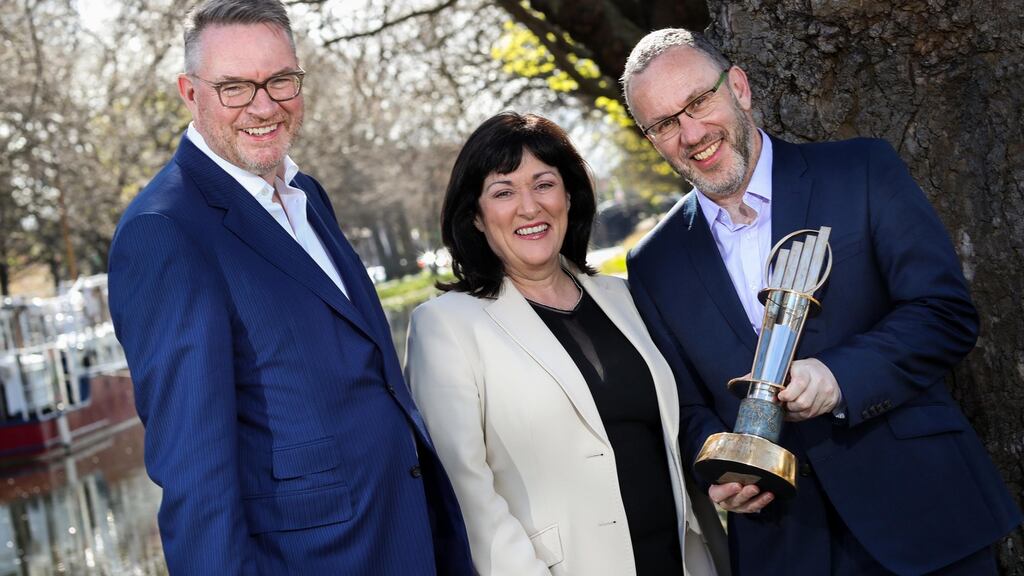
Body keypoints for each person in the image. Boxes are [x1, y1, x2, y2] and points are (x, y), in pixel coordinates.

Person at [621, 28, 1022, 576]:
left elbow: (945, 313)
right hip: (784, 544)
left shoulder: (860, 171)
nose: (691, 133)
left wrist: (839, 377)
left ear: (738, 86)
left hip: (923, 515)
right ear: (652, 139)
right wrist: (718, 468)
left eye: (698, 101)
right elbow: (685, 407)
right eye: (665, 123)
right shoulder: (653, 264)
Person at [106, 1, 473, 574]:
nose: (264, 105)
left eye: (281, 80)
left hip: (404, 536)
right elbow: (195, 477)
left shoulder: (308, 196)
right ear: (189, 92)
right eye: (234, 87)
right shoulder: (166, 232)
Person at [404, 111, 729, 576]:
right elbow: (467, 495)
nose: (529, 207)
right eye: (503, 192)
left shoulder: (623, 297)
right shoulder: (446, 327)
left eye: (543, 183)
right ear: (475, 216)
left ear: (569, 195)